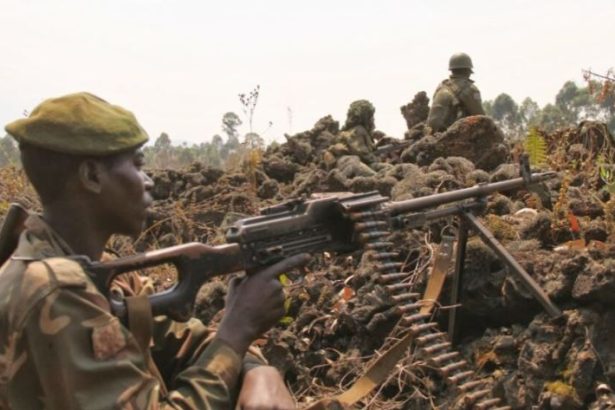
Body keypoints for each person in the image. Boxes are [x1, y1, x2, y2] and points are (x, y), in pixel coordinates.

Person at [0, 92, 309, 409]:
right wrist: (237, 332)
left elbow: (185, 343)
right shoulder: (56, 292)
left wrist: (259, 370)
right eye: (137, 165)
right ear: (92, 176)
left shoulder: (99, 272)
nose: (147, 181)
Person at [426, 52, 485, 133]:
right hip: (453, 135)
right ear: (468, 71)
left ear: (452, 70)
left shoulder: (441, 87)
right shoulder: (471, 89)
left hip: (431, 134)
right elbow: (481, 118)